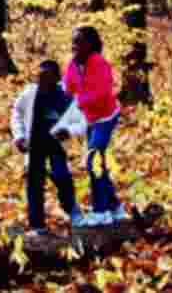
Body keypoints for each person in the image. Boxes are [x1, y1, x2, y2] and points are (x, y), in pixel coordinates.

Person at [60, 26, 127, 226]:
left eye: (79, 41)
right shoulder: (73, 64)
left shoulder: (100, 63)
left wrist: (78, 102)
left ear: (90, 44)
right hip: (89, 119)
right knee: (98, 164)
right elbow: (67, 88)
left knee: (93, 162)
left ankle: (101, 212)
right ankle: (115, 208)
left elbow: (102, 93)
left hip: (105, 118)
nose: (74, 46)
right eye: (73, 41)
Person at [11, 60, 87, 232]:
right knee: (34, 182)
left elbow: (82, 121)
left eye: (46, 77)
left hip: (56, 145)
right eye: (39, 77)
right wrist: (19, 136)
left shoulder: (66, 96)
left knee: (62, 176)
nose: (41, 81)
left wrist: (68, 131)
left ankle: (73, 211)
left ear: (56, 78)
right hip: (35, 144)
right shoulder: (30, 93)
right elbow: (16, 112)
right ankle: (37, 223)